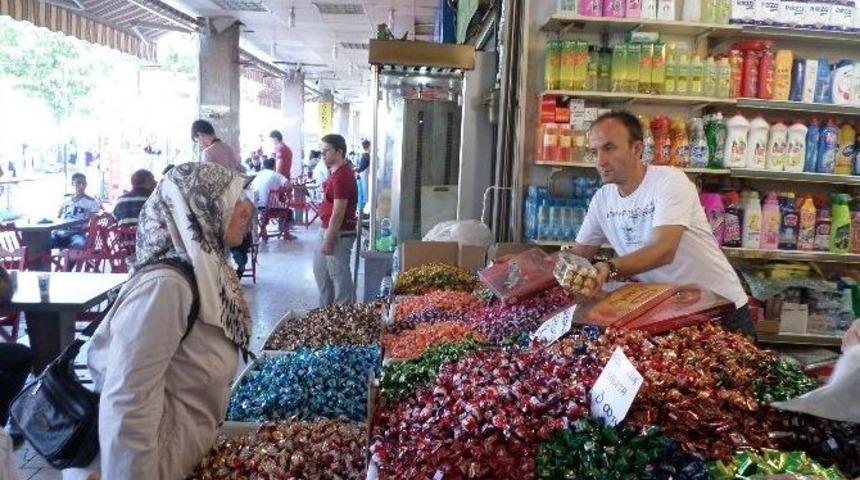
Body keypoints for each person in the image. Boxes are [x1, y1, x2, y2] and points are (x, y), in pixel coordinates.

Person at [62, 163, 255, 480]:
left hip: (182, 453)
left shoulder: (207, 272)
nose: (246, 209)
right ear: (197, 209)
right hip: (155, 463)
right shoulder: (166, 287)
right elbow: (128, 401)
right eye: (232, 200)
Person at [564, 111, 753, 336]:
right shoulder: (603, 199)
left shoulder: (669, 181)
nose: (600, 161)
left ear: (637, 148)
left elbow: (663, 251)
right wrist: (555, 268)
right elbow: (578, 255)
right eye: (594, 152)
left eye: (609, 148)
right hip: (668, 312)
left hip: (718, 308)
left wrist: (609, 268)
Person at [313, 134, 357, 307]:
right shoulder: (336, 173)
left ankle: (343, 318)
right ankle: (326, 315)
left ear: (339, 151)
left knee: (339, 278)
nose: (322, 154)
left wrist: (328, 240)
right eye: (321, 151)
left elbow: (338, 213)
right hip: (327, 229)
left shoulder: (342, 177)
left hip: (338, 233)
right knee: (321, 273)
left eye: (326, 151)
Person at [51, 173, 100, 249]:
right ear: (72, 184)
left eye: (83, 183)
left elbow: (93, 222)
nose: (81, 186)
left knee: (78, 245)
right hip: (60, 232)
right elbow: (58, 216)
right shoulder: (65, 199)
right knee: (41, 242)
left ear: (86, 184)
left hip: (76, 234)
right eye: (78, 183)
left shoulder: (91, 202)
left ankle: (70, 260)